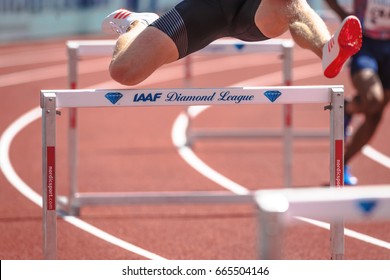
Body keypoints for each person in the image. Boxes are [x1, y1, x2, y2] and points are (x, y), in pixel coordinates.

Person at [102, 0, 362, 86]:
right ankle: (139, 24)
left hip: (256, 11)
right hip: (207, 9)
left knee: (289, 2)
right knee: (124, 71)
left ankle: (327, 49)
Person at [325, 0, 390, 185]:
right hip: (366, 45)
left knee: (375, 115)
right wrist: (343, 15)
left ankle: (343, 163)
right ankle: (348, 108)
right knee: (372, 99)